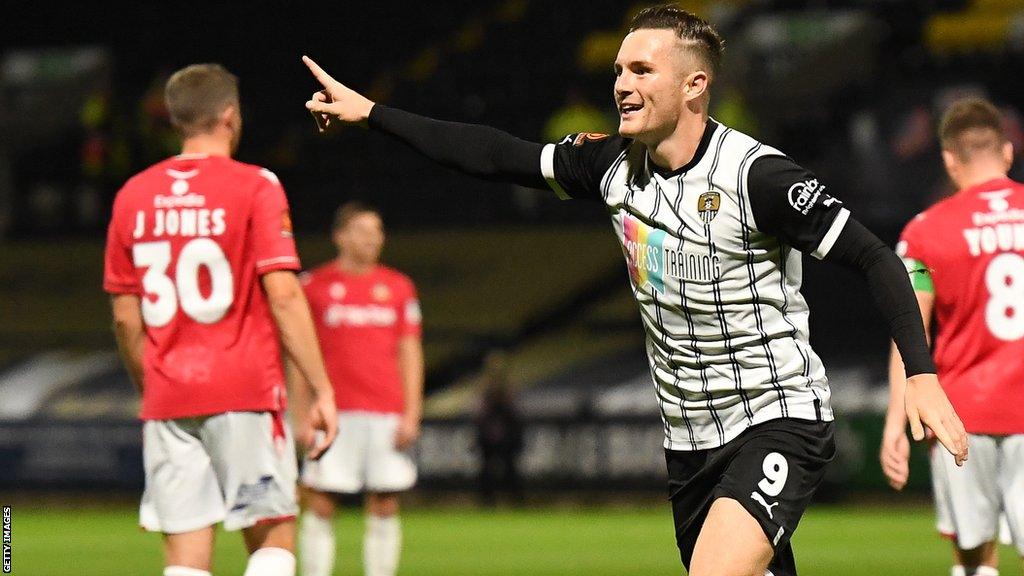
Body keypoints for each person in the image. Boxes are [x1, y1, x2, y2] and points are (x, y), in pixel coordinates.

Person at [301, 5, 969, 575]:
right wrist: (373, 114)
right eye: (619, 69)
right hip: (688, 444)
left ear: (695, 86)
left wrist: (922, 373)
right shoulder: (609, 165)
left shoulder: (758, 178)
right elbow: (492, 154)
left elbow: (876, 258)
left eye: (642, 70)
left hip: (776, 418)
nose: (621, 83)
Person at [103, 63, 338, 576]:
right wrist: (321, 387)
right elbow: (284, 296)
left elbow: (126, 318)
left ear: (175, 119)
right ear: (230, 116)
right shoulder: (255, 185)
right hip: (244, 390)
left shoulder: (133, 195)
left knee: (186, 558)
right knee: (274, 537)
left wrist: (154, 383)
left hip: (168, 398)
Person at [881, 97, 1024, 576]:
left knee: (974, 558)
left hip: (961, 414)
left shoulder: (925, 233)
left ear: (948, 159)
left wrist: (896, 422)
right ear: (1007, 152)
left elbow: (910, 330)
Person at [290, 202, 424, 576]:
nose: (373, 239)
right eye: (364, 231)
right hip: (334, 413)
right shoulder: (313, 286)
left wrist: (412, 413)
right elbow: (298, 357)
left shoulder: (398, 287)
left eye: (378, 231)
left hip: (386, 412)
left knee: (384, 502)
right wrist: (299, 415)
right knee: (320, 502)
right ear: (340, 236)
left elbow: (409, 354)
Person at [474, 350, 524, 507]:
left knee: (509, 468)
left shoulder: (507, 387)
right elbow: (479, 413)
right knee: (488, 469)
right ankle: (489, 500)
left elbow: (514, 412)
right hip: (489, 434)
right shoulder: (484, 387)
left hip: (506, 434)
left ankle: (513, 499)